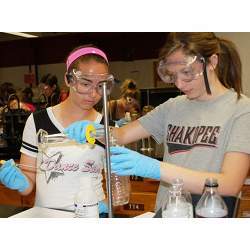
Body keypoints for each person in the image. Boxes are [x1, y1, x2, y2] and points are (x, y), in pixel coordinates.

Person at [63, 33, 250, 217]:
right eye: (173, 76)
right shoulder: (174, 106)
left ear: (212, 62)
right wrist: (94, 131)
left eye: (187, 73)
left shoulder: (241, 110)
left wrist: (154, 168)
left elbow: (229, 185)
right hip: (168, 213)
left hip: (209, 215)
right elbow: (120, 135)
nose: (179, 84)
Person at [0, 45, 115, 215]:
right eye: (85, 83)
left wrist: (103, 205)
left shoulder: (107, 126)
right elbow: (28, 184)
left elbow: (119, 187)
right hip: (45, 217)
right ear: (68, 79)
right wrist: (19, 182)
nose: (93, 94)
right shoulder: (38, 121)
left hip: (92, 215)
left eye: (101, 86)